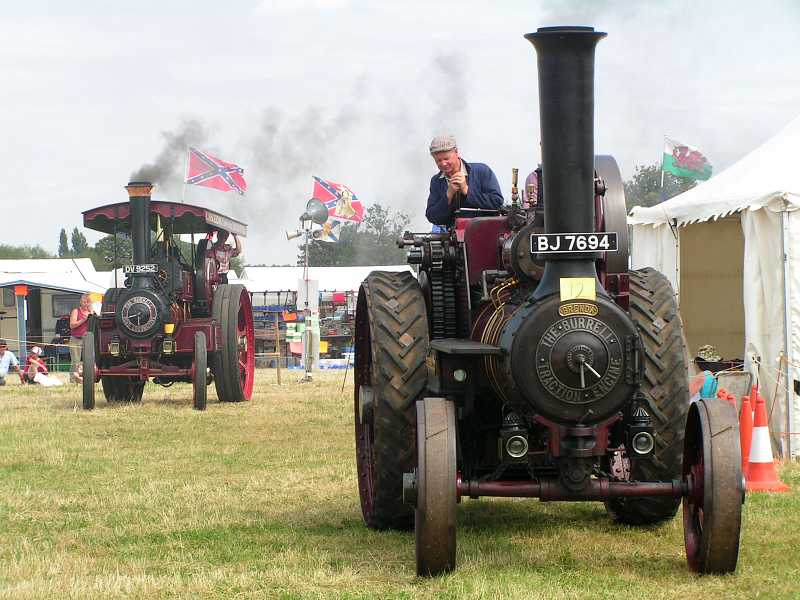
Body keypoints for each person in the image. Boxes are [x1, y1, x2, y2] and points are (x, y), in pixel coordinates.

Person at [425, 135, 504, 227]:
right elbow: (432, 216)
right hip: (453, 238)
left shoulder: (482, 171)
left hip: (485, 233)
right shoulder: (436, 181)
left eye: (446, 158)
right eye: (438, 160)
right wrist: (448, 196)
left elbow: (497, 202)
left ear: (456, 153)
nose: (443, 163)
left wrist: (467, 191)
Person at [69, 293, 94, 383]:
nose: (86, 304)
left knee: (89, 360)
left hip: (88, 340)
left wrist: (92, 314)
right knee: (75, 361)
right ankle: (73, 380)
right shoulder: (76, 311)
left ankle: (88, 379)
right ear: (80, 302)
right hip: (75, 339)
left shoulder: (92, 313)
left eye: (88, 302)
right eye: (84, 302)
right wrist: (83, 320)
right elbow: (72, 325)